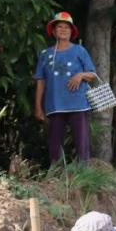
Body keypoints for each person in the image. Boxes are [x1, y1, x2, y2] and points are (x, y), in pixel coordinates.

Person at [32, 11, 97, 165]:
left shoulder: (79, 50)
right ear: (54, 31)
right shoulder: (45, 54)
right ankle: (56, 177)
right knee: (55, 144)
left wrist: (80, 75)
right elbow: (40, 81)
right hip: (55, 105)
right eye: (59, 27)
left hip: (78, 104)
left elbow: (93, 74)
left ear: (71, 31)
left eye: (67, 27)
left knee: (82, 144)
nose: (63, 30)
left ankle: (84, 177)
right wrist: (38, 107)